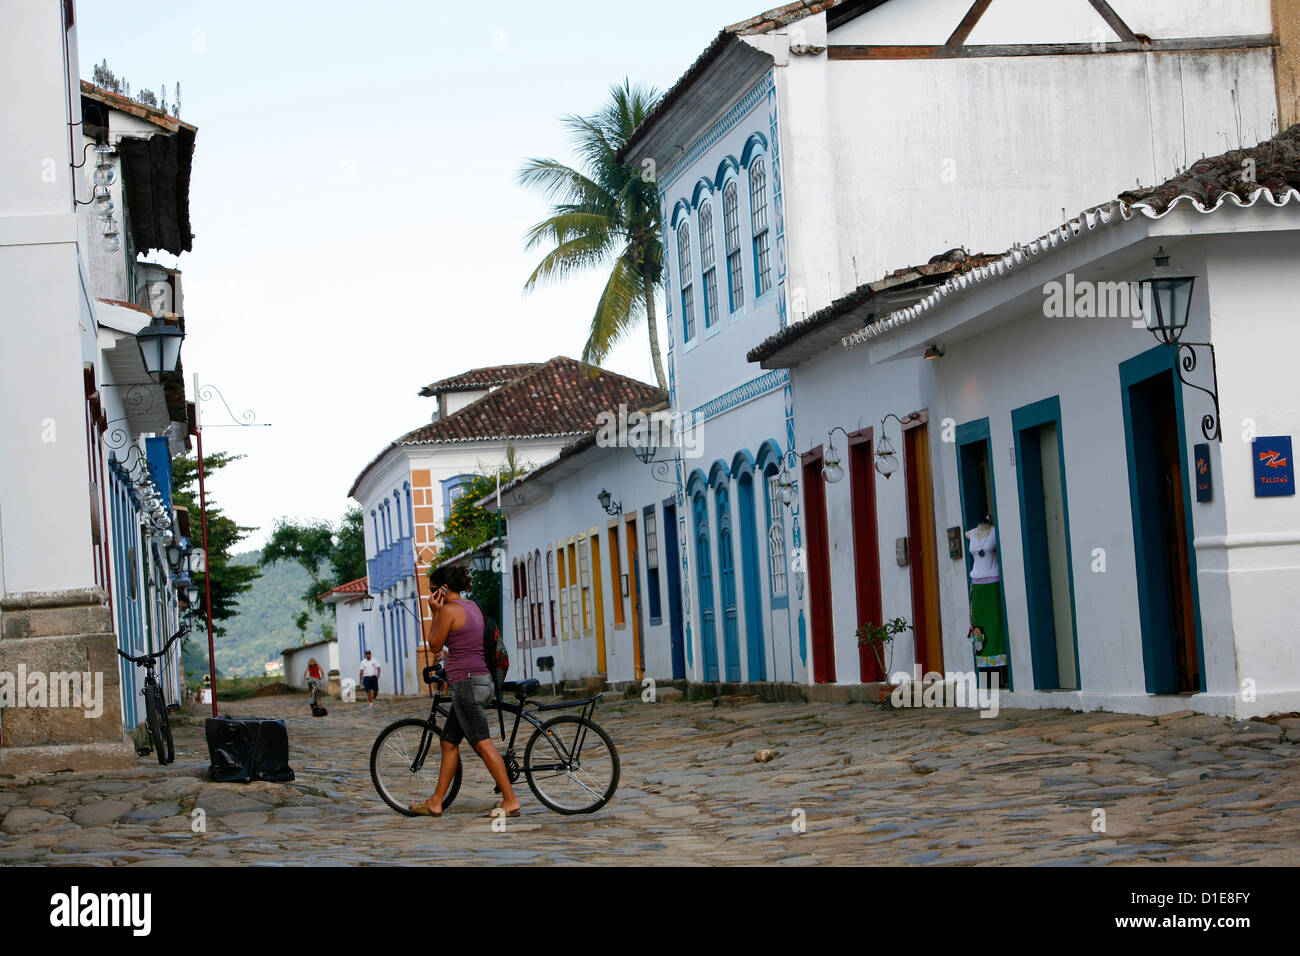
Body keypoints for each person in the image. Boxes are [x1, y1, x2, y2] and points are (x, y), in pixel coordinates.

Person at [410, 565, 520, 818]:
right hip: (481, 681)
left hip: (467, 685)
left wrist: (434, 611)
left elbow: (435, 644)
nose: (432, 593)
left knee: (482, 743)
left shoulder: (448, 610)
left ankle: (510, 800)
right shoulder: (473, 607)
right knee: (449, 742)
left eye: (433, 589)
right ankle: (436, 802)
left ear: (443, 589)